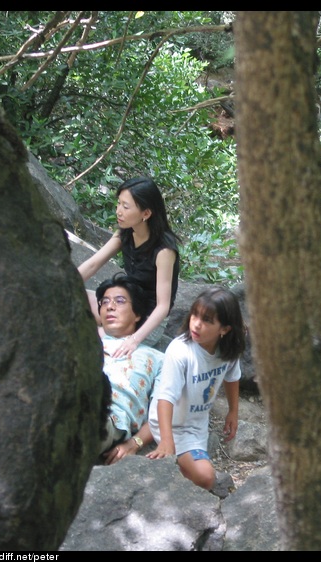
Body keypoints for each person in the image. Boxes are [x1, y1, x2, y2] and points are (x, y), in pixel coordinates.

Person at [147, 287, 246, 490]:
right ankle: (153, 444)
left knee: (204, 478)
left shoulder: (228, 350)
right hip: (170, 425)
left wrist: (233, 412)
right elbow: (165, 398)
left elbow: (232, 377)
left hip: (196, 425)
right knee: (206, 477)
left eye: (207, 320)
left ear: (225, 329)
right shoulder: (180, 350)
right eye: (195, 315)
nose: (197, 324)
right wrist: (166, 442)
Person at [78, 176, 181, 357]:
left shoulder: (164, 250)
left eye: (125, 207)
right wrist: (61, 284)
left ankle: (104, 335)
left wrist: (134, 340)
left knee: (82, 326)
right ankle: (103, 333)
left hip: (147, 320)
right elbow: (93, 264)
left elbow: (163, 306)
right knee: (72, 294)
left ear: (146, 213)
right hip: (123, 304)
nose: (118, 211)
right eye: (119, 204)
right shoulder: (125, 234)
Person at [96, 273, 165, 465]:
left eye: (119, 301)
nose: (110, 306)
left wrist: (135, 443)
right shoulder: (86, 341)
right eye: (104, 302)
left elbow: (164, 410)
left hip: (106, 418)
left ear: (137, 314)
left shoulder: (158, 359)